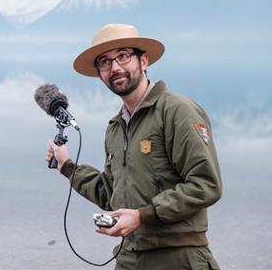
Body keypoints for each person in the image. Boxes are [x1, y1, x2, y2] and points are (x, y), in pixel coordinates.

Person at [45, 23, 222, 270]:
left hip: (179, 257)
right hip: (128, 259)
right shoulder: (116, 128)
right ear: (99, 73)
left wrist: (141, 217)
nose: (115, 67)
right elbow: (110, 194)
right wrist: (67, 167)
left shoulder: (177, 111)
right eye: (105, 62)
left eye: (123, 56)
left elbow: (207, 185)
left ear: (144, 61)